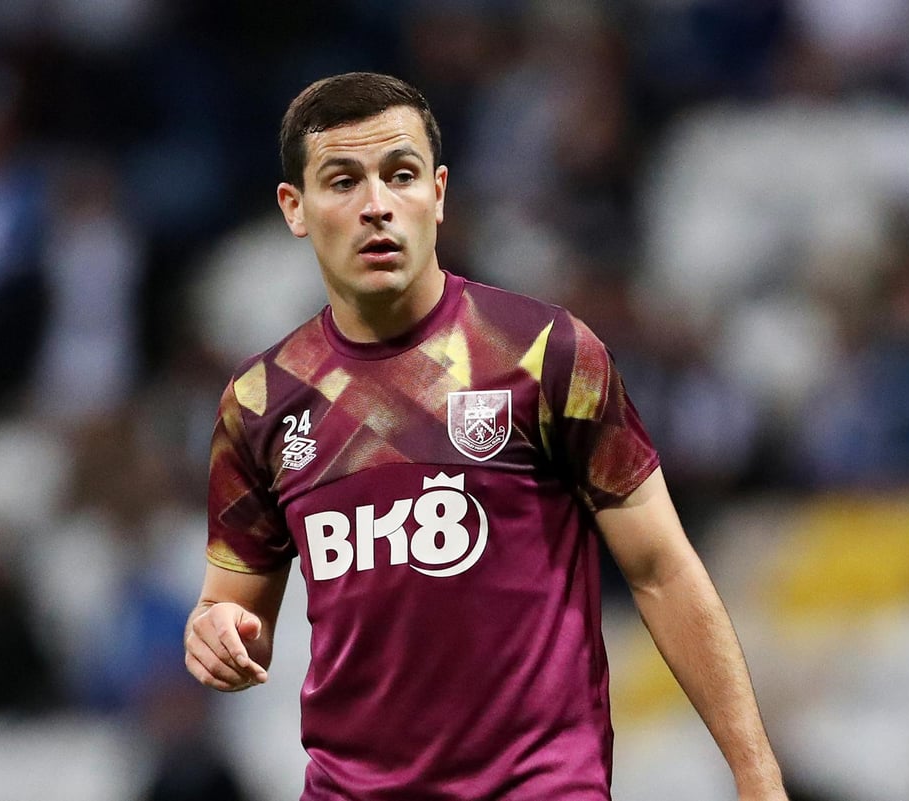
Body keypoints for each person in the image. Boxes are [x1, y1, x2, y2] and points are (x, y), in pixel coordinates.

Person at [184, 71, 788, 801]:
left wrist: (756, 772)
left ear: (437, 193)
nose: (377, 206)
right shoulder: (259, 402)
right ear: (296, 208)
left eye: (399, 175)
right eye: (342, 181)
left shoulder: (544, 352)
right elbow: (236, 611)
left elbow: (661, 567)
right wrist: (216, 633)